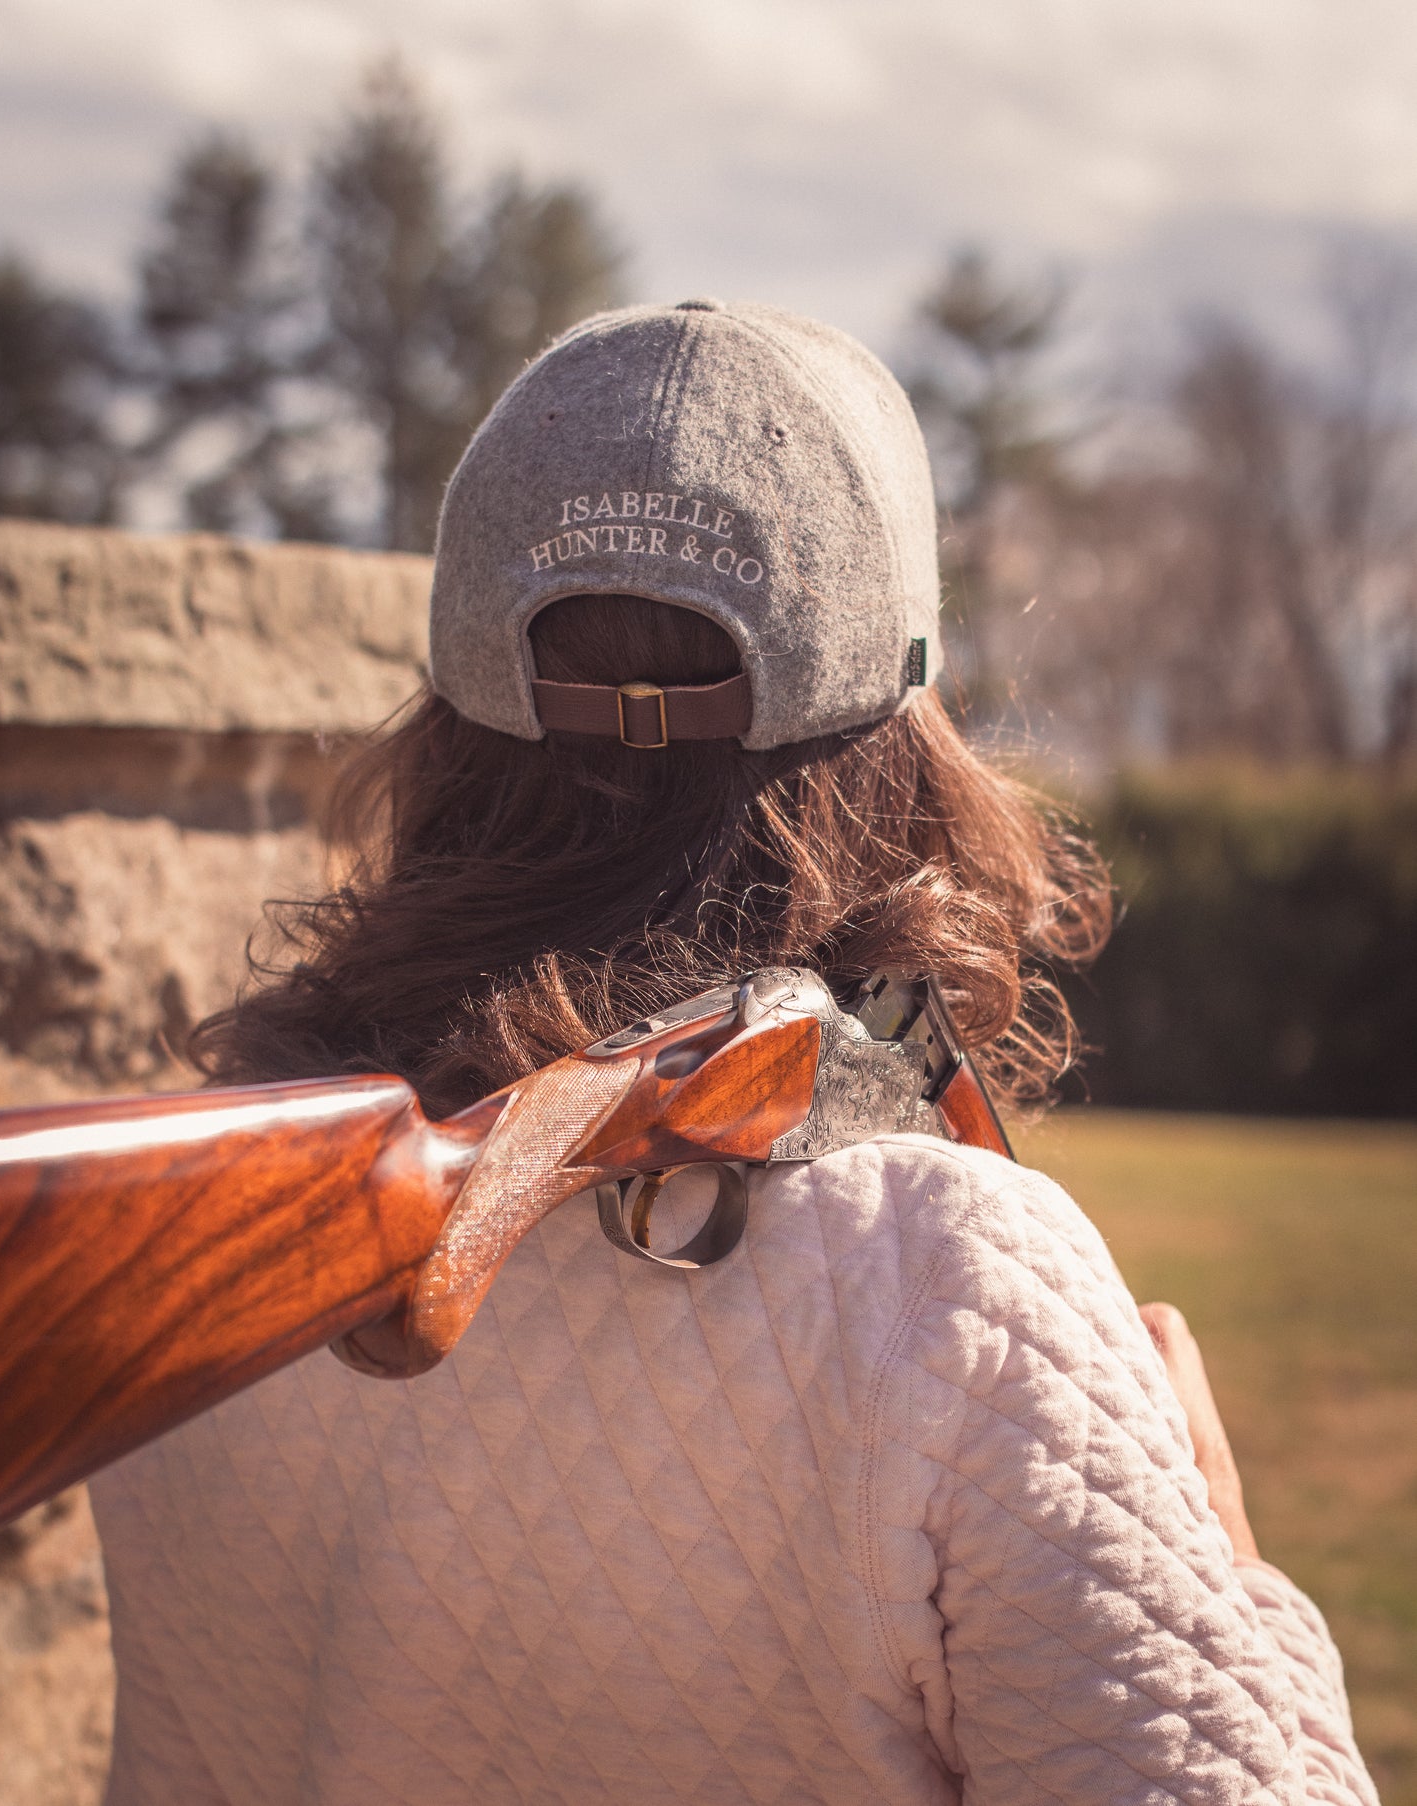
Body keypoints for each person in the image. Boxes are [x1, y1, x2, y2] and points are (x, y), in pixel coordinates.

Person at [90, 300, 1377, 1804]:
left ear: (448, 703)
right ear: (902, 724)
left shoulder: (194, 1210)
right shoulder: (956, 1276)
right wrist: (1235, 1580)